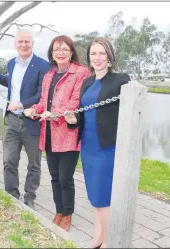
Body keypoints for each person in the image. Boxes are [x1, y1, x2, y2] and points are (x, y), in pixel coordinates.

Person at [65, 37, 131, 248]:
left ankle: (109, 242)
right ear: (89, 58)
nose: (97, 57)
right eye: (93, 53)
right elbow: (84, 115)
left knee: (102, 197)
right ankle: (98, 237)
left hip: (106, 148)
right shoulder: (87, 82)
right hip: (87, 146)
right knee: (95, 195)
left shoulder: (121, 80)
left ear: (110, 57)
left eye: (102, 53)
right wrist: (73, 120)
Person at [23, 35, 90, 232]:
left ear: (71, 52)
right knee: (53, 177)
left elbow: (76, 101)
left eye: (64, 49)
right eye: (56, 49)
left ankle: (68, 214)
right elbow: (44, 101)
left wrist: (56, 114)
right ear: (52, 53)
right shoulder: (49, 75)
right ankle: (59, 211)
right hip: (49, 134)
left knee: (65, 178)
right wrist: (34, 109)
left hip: (68, 134)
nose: (60, 53)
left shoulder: (81, 73)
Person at [0, 30, 50, 209]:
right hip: (12, 121)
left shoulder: (43, 66)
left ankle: (29, 196)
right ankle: (12, 194)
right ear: (15, 44)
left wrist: (21, 104)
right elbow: (12, 82)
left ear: (32, 44)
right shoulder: (12, 63)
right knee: (9, 160)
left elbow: (41, 94)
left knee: (33, 163)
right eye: (20, 42)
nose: (23, 45)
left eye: (27, 41)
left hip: (32, 122)